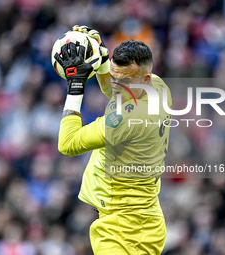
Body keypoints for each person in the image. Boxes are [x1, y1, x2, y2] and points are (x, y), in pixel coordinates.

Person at [55, 25, 172, 255]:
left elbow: (67, 143)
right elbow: (112, 86)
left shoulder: (127, 119)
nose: (117, 88)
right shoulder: (158, 87)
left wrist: (76, 86)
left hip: (124, 230)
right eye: (115, 77)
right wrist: (100, 56)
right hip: (143, 219)